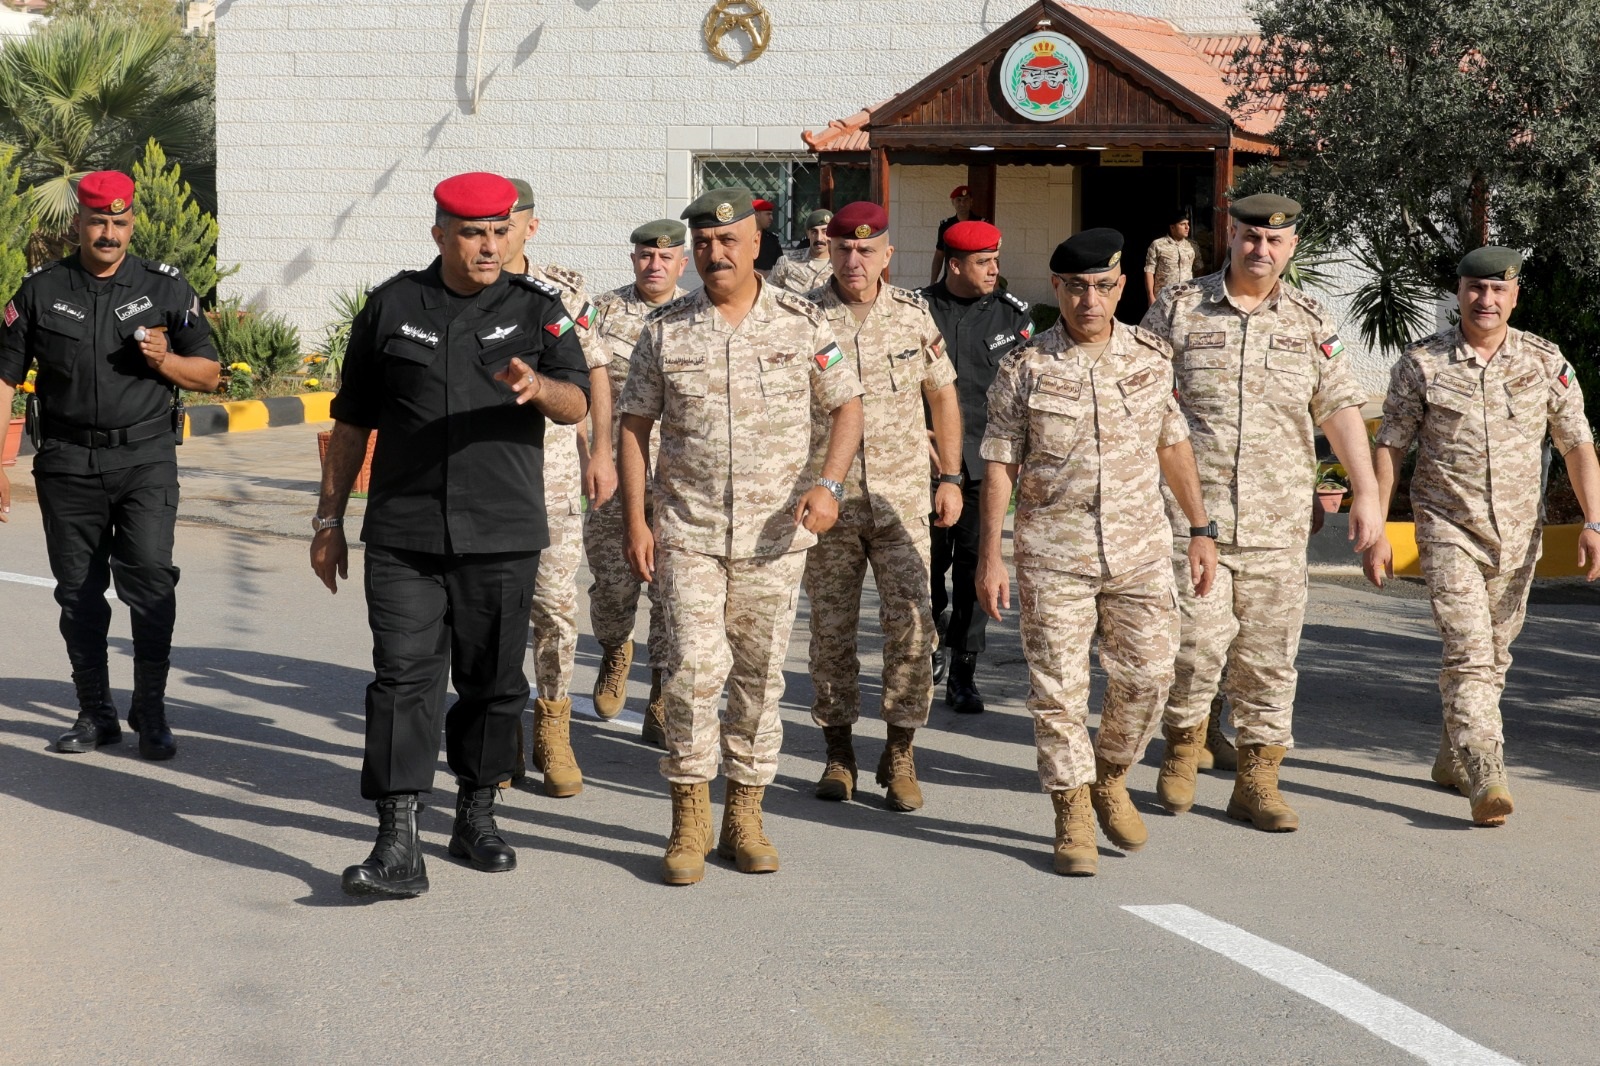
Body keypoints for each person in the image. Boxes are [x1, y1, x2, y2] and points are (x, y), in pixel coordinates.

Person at [314, 172, 590, 899]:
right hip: (404, 533)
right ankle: (397, 837)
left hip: (501, 533)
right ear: (439, 234)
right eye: (472, 233)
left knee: (494, 683)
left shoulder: (539, 312)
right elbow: (351, 422)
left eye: (500, 231)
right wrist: (326, 520)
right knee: (403, 680)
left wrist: (539, 387)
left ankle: (477, 811)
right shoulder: (392, 306)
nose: (489, 245)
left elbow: (577, 402)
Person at [616, 186, 864, 885]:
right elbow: (633, 427)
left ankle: (744, 816)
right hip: (688, 532)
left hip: (773, 537)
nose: (713, 253)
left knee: (758, 678)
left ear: (757, 244)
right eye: (702, 243)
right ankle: (689, 818)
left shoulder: (801, 324)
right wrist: (637, 519)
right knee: (694, 672)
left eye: (728, 242)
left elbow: (847, 409)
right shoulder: (666, 330)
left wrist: (831, 485)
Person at [977, 229, 1216, 877]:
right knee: (1058, 693)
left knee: (1149, 676)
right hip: (1052, 552)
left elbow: (1173, 443)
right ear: (1057, 289)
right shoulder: (1024, 367)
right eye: (1077, 288)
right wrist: (990, 556)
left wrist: (1200, 527)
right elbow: (1000, 462)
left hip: (1139, 549)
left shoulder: (1149, 357)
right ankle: (1072, 812)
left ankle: (1110, 774)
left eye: (1103, 287)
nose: (1090, 300)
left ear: (1122, 288)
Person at [1141, 193, 1380, 832]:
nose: (1261, 250)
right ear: (1232, 234)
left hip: (1277, 525)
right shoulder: (1178, 308)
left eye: (1275, 242)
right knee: (1193, 647)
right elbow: (1137, 399)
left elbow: (1339, 410)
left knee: (1268, 658)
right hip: (1192, 519)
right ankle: (1183, 747)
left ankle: (1257, 781)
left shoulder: (1309, 319)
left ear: (1292, 245)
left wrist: (1369, 495)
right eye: (1251, 237)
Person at [1364, 246, 1600, 826]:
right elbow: (1390, 445)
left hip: (1520, 538)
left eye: (1498, 290)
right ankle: (1486, 768)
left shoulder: (1544, 362)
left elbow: (1576, 445)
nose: (1486, 300)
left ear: (1515, 295)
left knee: (1494, 656)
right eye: (1475, 289)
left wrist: (1594, 521)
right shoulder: (1423, 364)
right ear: (1459, 292)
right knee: (1469, 653)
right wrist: (1375, 521)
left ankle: (1453, 753)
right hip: (1447, 529)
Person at [0, 170, 219, 761]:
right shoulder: (41, 290)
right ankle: (95, 712)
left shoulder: (166, 289)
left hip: (145, 458)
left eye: (120, 223)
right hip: (67, 460)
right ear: (78, 223)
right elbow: (4, 380)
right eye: (98, 221)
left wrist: (165, 358)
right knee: (77, 593)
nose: (109, 233)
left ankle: (151, 709)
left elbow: (209, 373)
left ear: (131, 224)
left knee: (148, 581)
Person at [800, 202, 964, 812]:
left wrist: (950, 477)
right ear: (830, 251)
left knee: (912, 628)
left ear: (887, 255)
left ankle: (900, 753)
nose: (854, 260)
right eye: (844, 248)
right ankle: (838, 753)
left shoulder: (913, 319)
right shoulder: (800, 317)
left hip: (900, 500)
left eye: (867, 250)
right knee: (831, 630)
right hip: (828, 503)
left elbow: (943, 397)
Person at [498, 178, 612, 798]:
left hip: (553, 471)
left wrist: (600, 453)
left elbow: (596, 368)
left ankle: (554, 728)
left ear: (531, 227)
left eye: (510, 220)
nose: (499, 232)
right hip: (487, 473)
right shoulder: (467, 288)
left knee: (554, 608)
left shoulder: (563, 290)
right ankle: (502, 730)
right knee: (494, 610)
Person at [920, 220, 1033, 712]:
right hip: (924, 466)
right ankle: (925, 646)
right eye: (984, 262)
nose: (994, 270)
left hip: (984, 468)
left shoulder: (1012, 320)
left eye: (996, 260)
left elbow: (1030, 393)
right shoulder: (916, 312)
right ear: (955, 265)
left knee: (973, 568)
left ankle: (963, 671)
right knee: (922, 567)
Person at [585, 219, 690, 747]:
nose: (655, 264)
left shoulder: (696, 314)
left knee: (674, 591)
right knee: (613, 584)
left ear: (682, 264)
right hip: (616, 472)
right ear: (633, 259)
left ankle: (662, 697)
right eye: (646, 255)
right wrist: (593, 454)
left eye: (666, 257)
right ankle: (613, 651)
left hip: (679, 479)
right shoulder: (603, 313)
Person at [768, 209, 834, 295]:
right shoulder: (787, 262)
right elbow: (768, 293)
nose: (819, 238)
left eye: (825, 232)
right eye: (814, 232)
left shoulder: (842, 264)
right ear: (808, 233)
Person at [929, 185, 983, 285]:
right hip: (951, 277)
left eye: (966, 200)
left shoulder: (981, 224)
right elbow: (939, 255)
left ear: (971, 202)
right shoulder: (945, 226)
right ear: (953, 202)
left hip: (974, 276)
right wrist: (933, 281)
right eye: (958, 200)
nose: (962, 203)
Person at [1144, 210, 1200, 305]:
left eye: (1188, 224)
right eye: (1183, 224)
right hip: (1164, 298)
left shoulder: (1192, 246)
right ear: (1172, 227)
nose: (1187, 227)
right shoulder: (1158, 245)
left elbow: (1199, 269)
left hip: (1186, 298)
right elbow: (1149, 271)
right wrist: (1150, 297)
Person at [753, 198, 784, 271]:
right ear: (756, 215)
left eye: (771, 214)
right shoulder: (743, 237)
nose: (771, 218)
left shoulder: (772, 240)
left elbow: (780, 266)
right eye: (768, 214)